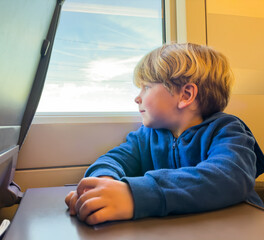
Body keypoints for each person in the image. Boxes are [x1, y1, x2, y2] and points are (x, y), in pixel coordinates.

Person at [65, 43, 264, 225]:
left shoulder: (227, 130)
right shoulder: (146, 136)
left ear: (186, 95)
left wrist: (135, 195)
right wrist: (103, 183)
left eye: (146, 87)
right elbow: (113, 159)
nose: (137, 97)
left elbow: (230, 177)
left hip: (239, 226)